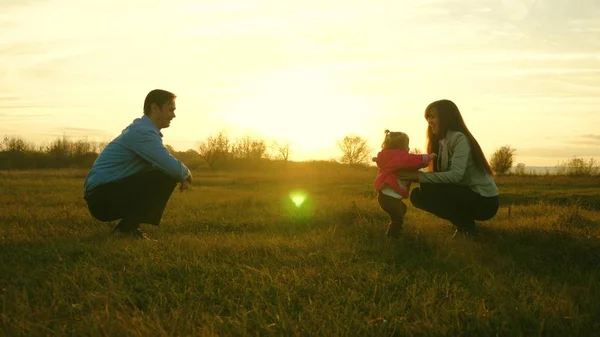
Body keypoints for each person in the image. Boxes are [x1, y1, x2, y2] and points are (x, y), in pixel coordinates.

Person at [83, 89, 192, 239]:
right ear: (154, 108)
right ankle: (126, 229)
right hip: (101, 198)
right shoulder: (142, 133)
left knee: (161, 173)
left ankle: (127, 228)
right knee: (165, 176)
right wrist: (186, 174)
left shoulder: (143, 131)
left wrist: (181, 173)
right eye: (170, 110)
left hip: (103, 194)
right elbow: (170, 166)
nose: (173, 115)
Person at [397, 99, 499, 235]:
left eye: (432, 116)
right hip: (466, 193)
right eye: (428, 118)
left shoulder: (459, 138)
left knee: (427, 187)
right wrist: (410, 172)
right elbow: (440, 174)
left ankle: (466, 227)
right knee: (417, 196)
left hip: (485, 201)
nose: (429, 121)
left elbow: (456, 175)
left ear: (445, 117)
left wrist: (418, 176)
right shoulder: (440, 142)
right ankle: (464, 225)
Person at [373, 130, 435, 238]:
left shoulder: (386, 155)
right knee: (397, 218)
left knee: (402, 210)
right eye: (407, 146)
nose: (409, 149)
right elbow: (414, 160)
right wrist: (429, 158)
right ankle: (393, 236)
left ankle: (395, 232)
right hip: (391, 197)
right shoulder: (400, 156)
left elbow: (381, 160)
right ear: (400, 146)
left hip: (383, 196)